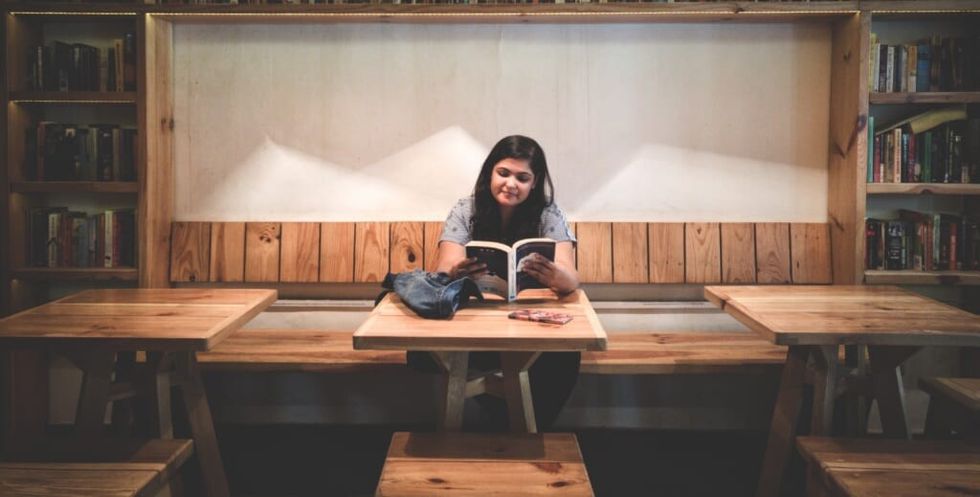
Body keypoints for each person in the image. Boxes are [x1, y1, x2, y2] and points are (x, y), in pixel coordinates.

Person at [425, 134, 581, 430]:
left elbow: (571, 276)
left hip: (527, 319)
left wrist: (555, 274)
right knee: (441, 350)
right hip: (474, 319)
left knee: (565, 354)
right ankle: (505, 421)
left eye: (523, 178)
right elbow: (444, 267)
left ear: (534, 183)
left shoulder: (548, 213)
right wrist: (459, 269)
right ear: (490, 173)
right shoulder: (466, 209)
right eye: (504, 173)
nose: (511, 184)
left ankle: (524, 430)